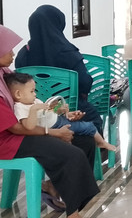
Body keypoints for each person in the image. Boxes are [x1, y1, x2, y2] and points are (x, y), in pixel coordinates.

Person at [0, 24, 99, 217]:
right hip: (8, 141)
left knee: (85, 141)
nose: (13, 53)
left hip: (27, 126)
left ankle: (52, 187)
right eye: (8, 48)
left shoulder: (5, 73)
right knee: (73, 154)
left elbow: (29, 106)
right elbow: (15, 129)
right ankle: (73, 212)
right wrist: (53, 132)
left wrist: (60, 117)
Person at [15, 5, 103, 133]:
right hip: (70, 107)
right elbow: (84, 82)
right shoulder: (68, 53)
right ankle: (100, 150)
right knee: (95, 121)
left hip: (34, 111)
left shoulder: (23, 54)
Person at [7, 72, 116, 152]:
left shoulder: (34, 101)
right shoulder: (20, 108)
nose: (35, 94)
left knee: (81, 125)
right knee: (88, 126)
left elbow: (48, 111)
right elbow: (28, 126)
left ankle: (98, 142)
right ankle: (102, 143)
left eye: (34, 90)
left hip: (58, 121)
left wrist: (60, 109)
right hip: (54, 127)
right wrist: (33, 110)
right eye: (31, 91)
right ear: (18, 94)